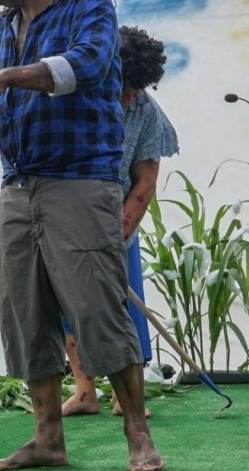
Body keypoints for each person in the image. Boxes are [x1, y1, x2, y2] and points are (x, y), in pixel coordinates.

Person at [0, 0, 162, 471]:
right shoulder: (1, 28)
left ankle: (138, 433)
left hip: (80, 180)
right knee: (22, 310)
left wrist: (5, 78)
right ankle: (48, 438)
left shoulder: (86, 3)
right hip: (18, 184)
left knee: (96, 307)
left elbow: (87, 64)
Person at [61, 26, 178, 418]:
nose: (129, 96)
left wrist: (117, 234)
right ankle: (84, 391)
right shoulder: (76, 98)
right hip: (69, 220)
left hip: (118, 225)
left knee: (125, 309)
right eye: (124, 87)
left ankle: (126, 397)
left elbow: (145, 180)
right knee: (71, 306)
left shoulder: (145, 110)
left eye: (137, 88)